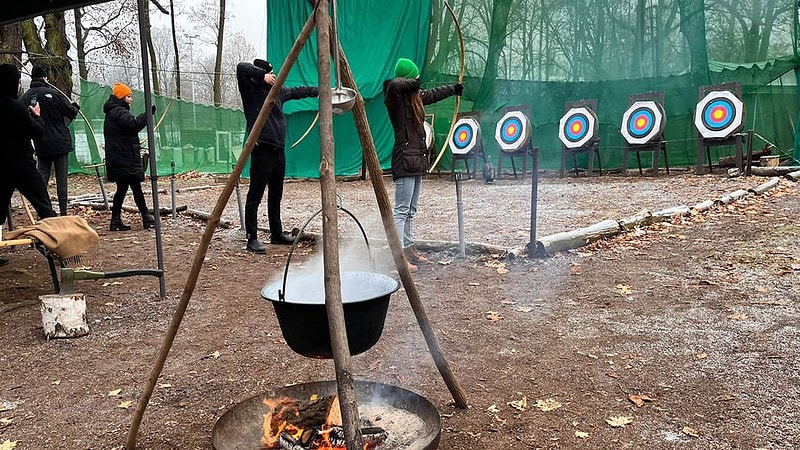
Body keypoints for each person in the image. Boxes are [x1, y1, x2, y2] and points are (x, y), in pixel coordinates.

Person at [383, 58, 462, 272]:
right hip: (404, 160)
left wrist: (453, 89)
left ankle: (409, 249)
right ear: (408, 79)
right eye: (415, 79)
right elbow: (392, 84)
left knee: (410, 210)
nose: (419, 83)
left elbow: (433, 94)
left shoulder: (414, 99)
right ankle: (398, 258)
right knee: (401, 211)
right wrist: (414, 82)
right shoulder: (394, 99)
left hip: (417, 159)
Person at [236, 58, 319, 253]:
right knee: (255, 195)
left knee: (276, 194)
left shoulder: (278, 92)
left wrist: (321, 90)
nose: (274, 77)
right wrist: (261, 76)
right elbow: (241, 67)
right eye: (270, 74)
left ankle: (276, 233)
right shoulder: (252, 90)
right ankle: (252, 238)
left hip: (278, 150)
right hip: (262, 148)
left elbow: (298, 91)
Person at [0, 64, 57, 266]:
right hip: (21, 164)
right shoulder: (16, 108)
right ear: (13, 84)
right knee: (43, 204)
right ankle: (57, 247)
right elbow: (36, 132)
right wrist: (37, 116)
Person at [20, 65, 81, 216]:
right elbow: (70, 111)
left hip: (41, 143)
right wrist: (75, 107)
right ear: (44, 78)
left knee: (42, 178)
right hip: (60, 142)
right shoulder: (53, 93)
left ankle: (43, 210)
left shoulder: (26, 97)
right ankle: (63, 211)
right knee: (62, 179)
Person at [103, 82, 155, 231]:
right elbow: (133, 125)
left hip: (120, 158)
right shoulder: (119, 112)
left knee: (124, 188)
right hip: (124, 158)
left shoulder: (113, 111)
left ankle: (116, 220)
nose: (131, 99)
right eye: (128, 96)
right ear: (121, 97)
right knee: (133, 188)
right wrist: (147, 115)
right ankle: (145, 217)